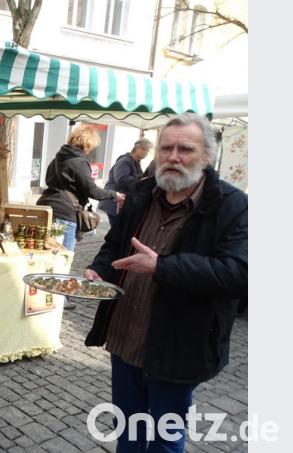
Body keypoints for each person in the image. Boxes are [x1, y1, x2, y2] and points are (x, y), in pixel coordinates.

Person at [83, 113, 247, 452]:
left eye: (185, 149)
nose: (173, 157)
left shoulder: (233, 205)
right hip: (126, 336)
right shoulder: (142, 193)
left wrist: (162, 266)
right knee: (127, 431)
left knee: (164, 438)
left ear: (206, 156)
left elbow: (238, 274)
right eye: (166, 148)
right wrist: (100, 270)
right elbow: (115, 243)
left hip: (179, 346)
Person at [37, 125, 124, 310]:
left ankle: (44, 292)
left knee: (46, 255)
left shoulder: (58, 158)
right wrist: (114, 195)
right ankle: (59, 298)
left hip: (47, 207)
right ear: (87, 143)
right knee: (63, 257)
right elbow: (92, 190)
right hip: (64, 212)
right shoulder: (78, 161)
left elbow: (48, 180)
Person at [98, 138, 153, 225]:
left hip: (121, 203)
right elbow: (121, 180)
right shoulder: (124, 161)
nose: (147, 153)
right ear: (138, 149)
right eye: (146, 150)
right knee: (117, 233)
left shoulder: (136, 163)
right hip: (114, 202)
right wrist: (140, 181)